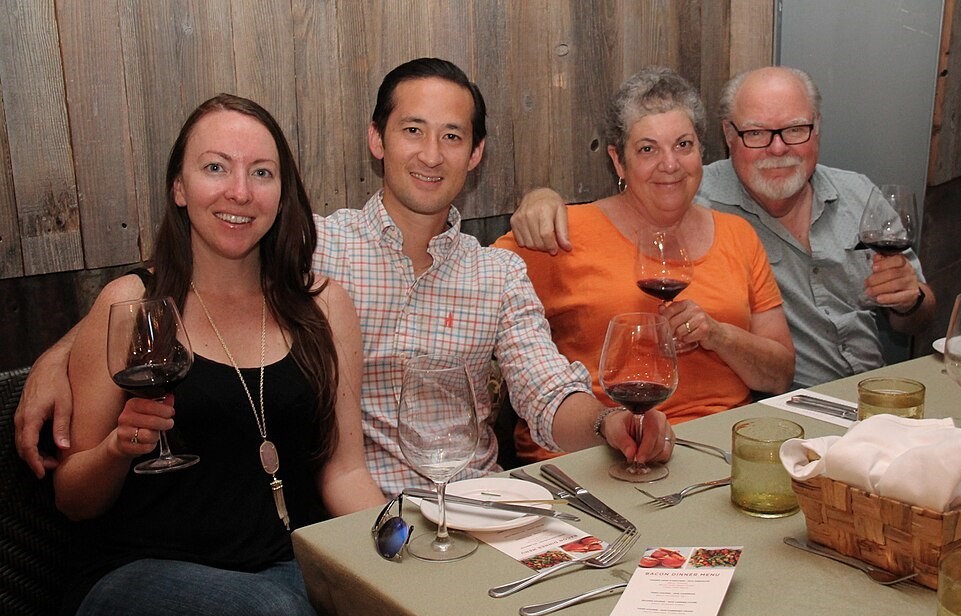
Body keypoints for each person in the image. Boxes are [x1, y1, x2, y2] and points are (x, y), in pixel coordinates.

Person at [16, 58, 672, 496]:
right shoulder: (313, 248)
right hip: (361, 516)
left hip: (484, 509)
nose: (430, 153)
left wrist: (611, 424)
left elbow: (549, 397)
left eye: (452, 136)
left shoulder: (498, 273)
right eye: (413, 130)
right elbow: (175, 283)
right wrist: (61, 352)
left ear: (474, 155)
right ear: (377, 139)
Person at [54, 94, 376, 616]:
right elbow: (73, 499)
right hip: (136, 579)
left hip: (283, 569)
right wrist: (117, 448)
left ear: (283, 192)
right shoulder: (135, 304)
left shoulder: (323, 307)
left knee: (366, 611)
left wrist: (401, 539)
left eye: (261, 172)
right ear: (179, 188)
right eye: (215, 168)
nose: (240, 192)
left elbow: (344, 472)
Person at [509, 66, 936, 390]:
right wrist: (540, 197)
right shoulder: (688, 192)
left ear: (817, 129)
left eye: (795, 129)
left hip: (877, 388)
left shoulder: (856, 193)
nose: (778, 147)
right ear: (729, 136)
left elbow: (919, 316)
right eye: (757, 133)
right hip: (787, 410)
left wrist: (909, 301)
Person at [492, 67, 795, 462]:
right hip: (599, 452)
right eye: (648, 149)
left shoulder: (737, 234)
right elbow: (473, 286)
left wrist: (718, 335)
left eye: (683, 145)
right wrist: (535, 198)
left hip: (719, 449)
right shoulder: (561, 235)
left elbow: (780, 375)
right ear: (618, 161)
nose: (669, 164)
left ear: (701, 152)